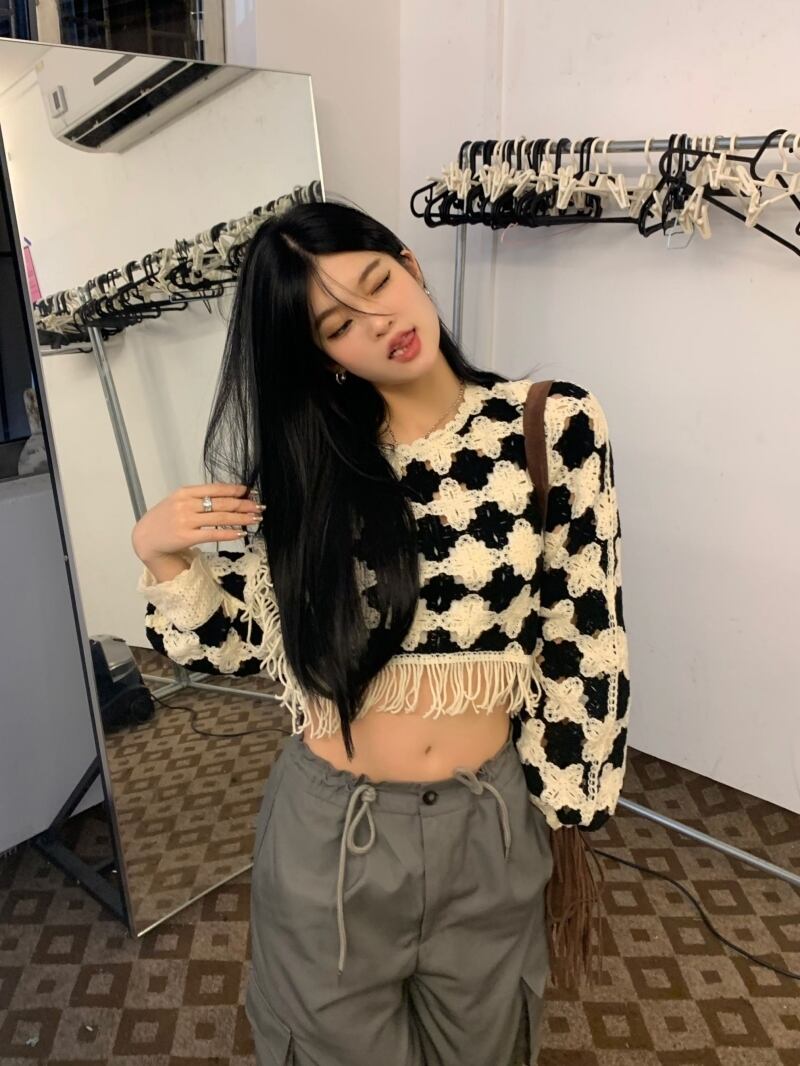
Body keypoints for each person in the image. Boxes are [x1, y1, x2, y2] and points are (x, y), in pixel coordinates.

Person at [131, 200, 630, 1066]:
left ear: (410, 264)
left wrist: (563, 808)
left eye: (377, 282)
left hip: (487, 824)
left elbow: (585, 630)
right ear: (323, 355)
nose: (378, 322)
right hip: (330, 834)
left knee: (489, 1046)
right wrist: (161, 555)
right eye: (338, 325)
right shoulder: (310, 469)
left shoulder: (550, 426)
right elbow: (241, 646)